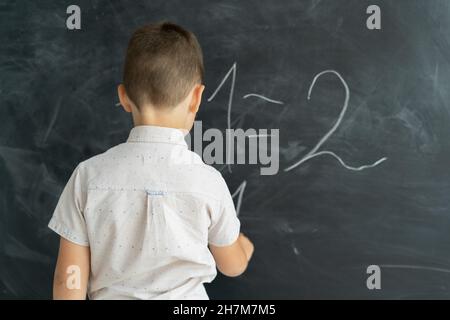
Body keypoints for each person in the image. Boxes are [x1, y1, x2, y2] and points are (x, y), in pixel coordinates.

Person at [49, 22, 254, 300]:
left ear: (124, 98)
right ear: (196, 98)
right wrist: (243, 245)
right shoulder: (207, 182)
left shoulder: (88, 177)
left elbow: (68, 282)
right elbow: (233, 265)